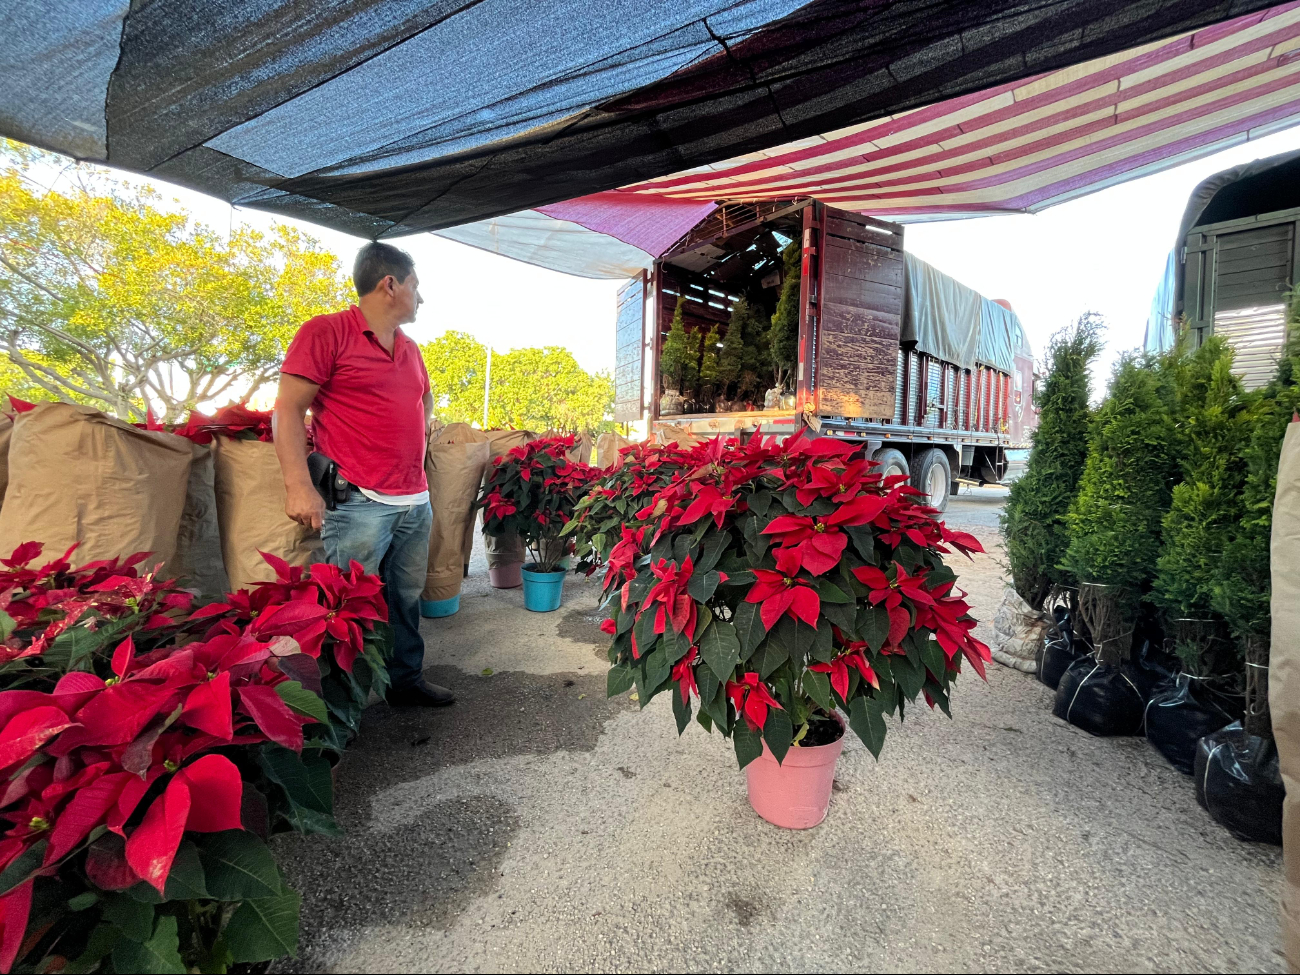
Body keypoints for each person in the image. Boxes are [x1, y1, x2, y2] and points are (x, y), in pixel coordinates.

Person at [274, 241, 454, 708]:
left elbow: (424, 401)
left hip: (413, 500)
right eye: (416, 286)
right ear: (390, 285)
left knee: (406, 600)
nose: (421, 297)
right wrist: (299, 485)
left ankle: (404, 681)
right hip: (358, 503)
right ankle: (341, 710)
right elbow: (288, 410)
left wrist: (417, 440)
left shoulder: (411, 350)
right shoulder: (326, 332)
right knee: (345, 608)